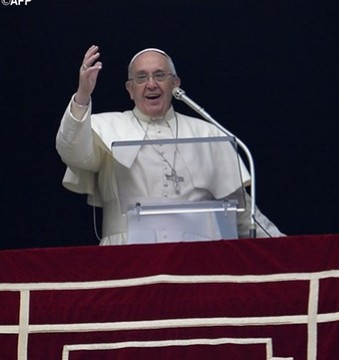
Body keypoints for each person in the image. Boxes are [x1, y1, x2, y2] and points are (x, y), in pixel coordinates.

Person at [56, 45, 283, 245]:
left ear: (175, 84)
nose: (151, 84)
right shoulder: (103, 127)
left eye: (159, 75)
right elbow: (72, 152)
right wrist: (83, 96)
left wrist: (290, 250)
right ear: (130, 89)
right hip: (126, 254)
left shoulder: (207, 132)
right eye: (141, 77)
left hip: (197, 257)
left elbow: (242, 214)